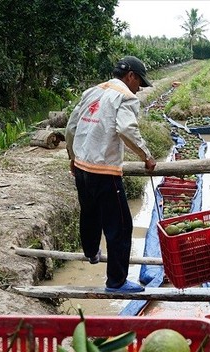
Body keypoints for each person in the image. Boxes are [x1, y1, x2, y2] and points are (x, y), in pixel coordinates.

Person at [65, 56, 157, 293]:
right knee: (121, 225)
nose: (139, 88)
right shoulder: (125, 96)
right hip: (104, 170)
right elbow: (126, 129)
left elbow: (71, 127)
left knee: (89, 212)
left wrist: (72, 158)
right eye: (140, 83)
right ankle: (116, 282)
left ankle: (91, 252)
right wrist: (146, 156)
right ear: (131, 77)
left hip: (83, 166)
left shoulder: (92, 91)